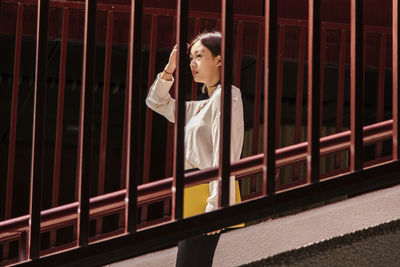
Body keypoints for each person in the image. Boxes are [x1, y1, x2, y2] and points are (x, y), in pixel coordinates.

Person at [145, 31, 244, 267]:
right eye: (190, 58)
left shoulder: (227, 96)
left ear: (220, 60)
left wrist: (216, 206)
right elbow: (156, 102)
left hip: (206, 194)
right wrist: (169, 70)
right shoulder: (200, 107)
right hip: (191, 192)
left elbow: (224, 152)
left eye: (199, 56)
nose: (192, 63)